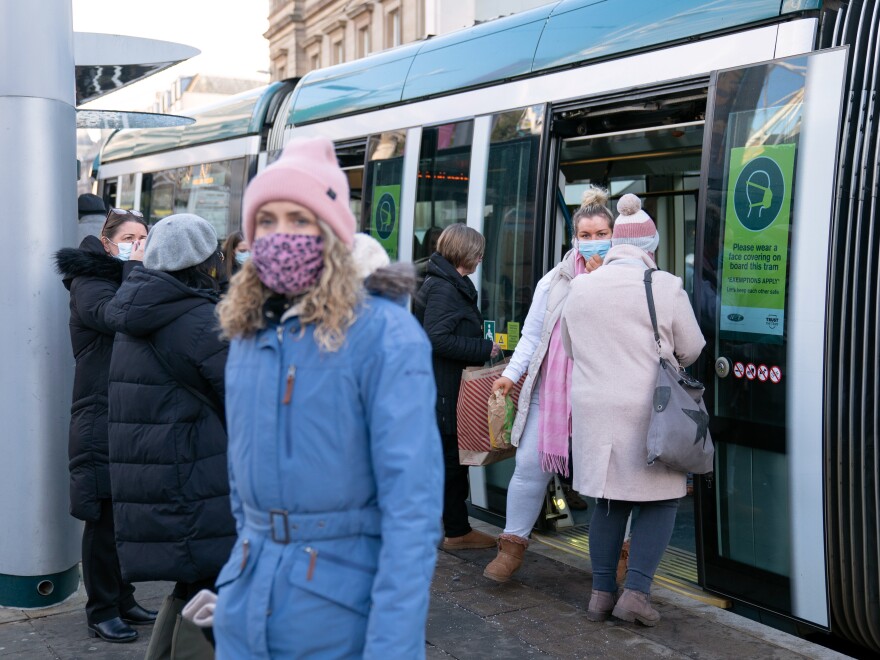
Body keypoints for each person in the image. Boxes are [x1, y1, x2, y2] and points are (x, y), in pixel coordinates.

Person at [212, 136, 443, 658]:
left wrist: (393, 648)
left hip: (337, 615)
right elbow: (239, 480)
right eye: (266, 221)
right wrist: (235, 580)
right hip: (246, 602)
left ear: (331, 232)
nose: (279, 235)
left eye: (299, 218)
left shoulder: (384, 333)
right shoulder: (247, 331)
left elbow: (412, 511)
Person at [561, 194, 705, 625]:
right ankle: (636, 594)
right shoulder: (665, 285)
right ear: (651, 247)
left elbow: (571, 348)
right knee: (660, 502)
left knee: (608, 502)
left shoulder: (581, 286)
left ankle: (601, 594)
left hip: (594, 413)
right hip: (648, 413)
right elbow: (692, 348)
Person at [104, 214, 235, 654]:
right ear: (203, 262)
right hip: (197, 474)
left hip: (160, 472)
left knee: (195, 580)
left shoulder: (139, 309)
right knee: (216, 583)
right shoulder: (200, 320)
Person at [483, 187, 613, 582]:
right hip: (550, 392)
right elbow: (532, 335)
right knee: (527, 467)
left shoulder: (626, 278)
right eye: (586, 235)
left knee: (605, 479)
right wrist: (510, 375)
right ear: (574, 238)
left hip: (601, 395)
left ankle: (615, 559)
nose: (594, 242)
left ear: (615, 234)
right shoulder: (553, 281)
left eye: (601, 234)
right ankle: (511, 548)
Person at [53, 208, 155, 644]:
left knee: (124, 513)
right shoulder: (90, 279)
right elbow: (115, 315)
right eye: (130, 236)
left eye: (144, 237)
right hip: (98, 411)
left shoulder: (125, 274)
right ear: (107, 241)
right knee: (102, 516)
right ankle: (101, 610)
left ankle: (123, 597)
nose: (138, 243)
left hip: (125, 410)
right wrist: (135, 266)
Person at [414, 223, 499, 551]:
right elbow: (436, 338)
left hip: (443, 387)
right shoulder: (445, 288)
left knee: (449, 462)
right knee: (451, 463)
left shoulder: (445, 281)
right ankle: (457, 531)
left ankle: (453, 528)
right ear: (465, 253)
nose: (481, 257)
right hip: (445, 390)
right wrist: (483, 349)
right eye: (478, 251)